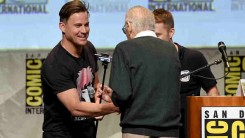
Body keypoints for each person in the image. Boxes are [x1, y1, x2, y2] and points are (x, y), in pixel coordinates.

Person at [41, 1, 118, 138]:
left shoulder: (89, 48)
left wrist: (100, 93)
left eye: (86, 25)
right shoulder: (55, 63)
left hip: (87, 131)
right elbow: (75, 107)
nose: (84, 31)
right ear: (62, 27)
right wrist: (114, 107)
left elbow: (94, 85)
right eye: (78, 26)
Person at [107, 6, 181, 138]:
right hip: (170, 131)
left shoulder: (124, 48)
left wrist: (113, 97)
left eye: (125, 28)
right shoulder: (171, 50)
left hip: (137, 130)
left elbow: (122, 95)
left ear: (129, 26)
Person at [153, 8, 220, 138]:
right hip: (158, 129)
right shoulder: (147, 61)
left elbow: (213, 93)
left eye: (157, 35)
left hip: (191, 128)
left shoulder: (193, 58)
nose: (153, 41)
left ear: (171, 32)